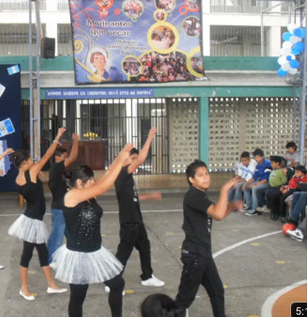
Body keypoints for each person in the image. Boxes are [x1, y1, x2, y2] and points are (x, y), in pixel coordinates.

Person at [52, 144, 134, 317]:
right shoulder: (72, 196)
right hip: (78, 254)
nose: (94, 182)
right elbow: (103, 187)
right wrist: (120, 161)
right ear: (80, 182)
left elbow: (104, 180)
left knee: (117, 284)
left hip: (95, 251)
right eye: (90, 180)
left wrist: (118, 158)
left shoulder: (88, 194)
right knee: (78, 296)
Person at [175, 160, 241, 317]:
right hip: (195, 255)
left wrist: (231, 206)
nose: (205, 178)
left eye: (206, 174)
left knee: (217, 290)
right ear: (191, 179)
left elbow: (217, 215)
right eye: (200, 175)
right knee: (183, 301)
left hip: (203, 254)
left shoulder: (200, 195)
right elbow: (218, 213)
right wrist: (225, 189)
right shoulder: (193, 196)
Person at [8, 127, 68, 301]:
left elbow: (33, 190)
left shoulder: (20, 177)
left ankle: (51, 285)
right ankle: (24, 288)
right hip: (33, 221)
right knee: (27, 254)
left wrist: (38, 176)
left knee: (42, 252)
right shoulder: (32, 172)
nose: (34, 161)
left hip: (31, 218)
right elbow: (48, 154)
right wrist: (57, 136)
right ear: (25, 163)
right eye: (31, 159)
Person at [112, 127, 165, 290]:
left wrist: (150, 196)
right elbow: (141, 159)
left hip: (137, 220)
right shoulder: (122, 173)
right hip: (129, 222)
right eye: (132, 158)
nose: (135, 161)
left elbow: (132, 198)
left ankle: (147, 276)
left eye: (135, 158)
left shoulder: (127, 178)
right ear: (125, 159)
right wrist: (149, 138)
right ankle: (112, 282)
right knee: (123, 253)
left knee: (145, 246)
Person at [47, 133, 79, 265]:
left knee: (72, 235)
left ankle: (74, 257)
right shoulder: (56, 168)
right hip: (59, 208)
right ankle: (50, 260)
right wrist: (75, 141)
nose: (66, 160)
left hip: (66, 208)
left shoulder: (61, 171)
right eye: (64, 157)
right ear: (57, 158)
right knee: (57, 237)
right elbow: (73, 157)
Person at [243, 149, 272, 216]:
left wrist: (255, 184)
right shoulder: (258, 165)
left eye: (258, 157)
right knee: (246, 187)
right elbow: (254, 177)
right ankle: (248, 205)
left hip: (267, 183)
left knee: (254, 188)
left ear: (262, 157)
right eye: (255, 157)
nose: (256, 159)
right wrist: (246, 183)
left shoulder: (267, 164)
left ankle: (254, 209)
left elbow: (266, 179)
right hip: (260, 182)